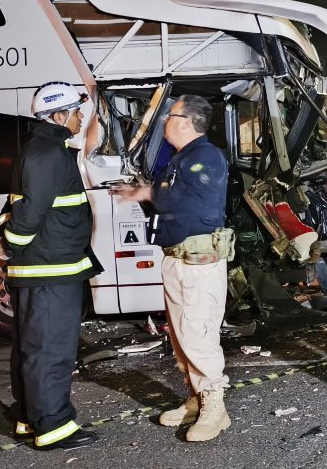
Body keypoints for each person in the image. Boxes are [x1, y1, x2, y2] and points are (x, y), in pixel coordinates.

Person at [110, 94, 234, 442]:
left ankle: (215, 407)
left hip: (198, 263)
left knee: (197, 332)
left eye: (169, 115)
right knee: (181, 337)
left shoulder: (205, 156)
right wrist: (146, 191)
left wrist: (149, 192)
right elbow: (167, 194)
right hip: (177, 259)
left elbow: (177, 198)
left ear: (186, 121)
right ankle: (196, 398)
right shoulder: (181, 159)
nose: (164, 120)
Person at [0, 81, 99, 451]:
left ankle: (30, 417)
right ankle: (53, 426)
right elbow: (29, 213)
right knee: (50, 350)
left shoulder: (42, 150)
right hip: (50, 270)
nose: (79, 117)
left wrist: (10, 244)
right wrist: (10, 245)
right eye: (75, 111)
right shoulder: (49, 154)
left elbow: (19, 207)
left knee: (32, 347)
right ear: (57, 115)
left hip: (43, 268)